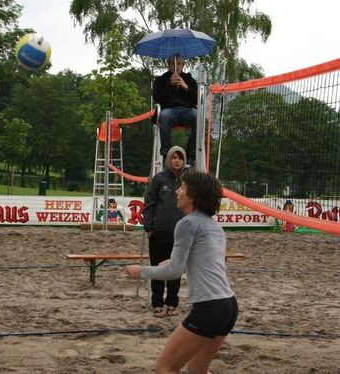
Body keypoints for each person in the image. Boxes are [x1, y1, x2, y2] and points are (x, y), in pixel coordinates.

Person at [127, 171, 237, 374]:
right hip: (228, 306)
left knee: (165, 367)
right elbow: (206, 263)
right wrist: (175, 262)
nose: (178, 191)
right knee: (197, 370)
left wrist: (141, 271)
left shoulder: (187, 223)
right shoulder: (215, 226)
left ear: (193, 195)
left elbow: (174, 272)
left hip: (209, 308)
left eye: (183, 187)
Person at [142, 146, 187, 318]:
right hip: (159, 232)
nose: (177, 160)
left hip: (180, 234)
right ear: (168, 159)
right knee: (158, 270)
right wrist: (149, 227)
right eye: (174, 157)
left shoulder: (187, 180)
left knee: (175, 270)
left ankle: (172, 303)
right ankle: (158, 303)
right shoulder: (159, 179)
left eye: (180, 158)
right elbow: (149, 203)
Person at [153, 53, 198, 165]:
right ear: (168, 65)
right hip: (169, 111)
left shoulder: (189, 79)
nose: (176, 66)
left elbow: (197, 99)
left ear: (183, 65)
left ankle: (191, 154)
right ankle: (167, 154)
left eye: (179, 63)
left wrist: (185, 86)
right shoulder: (161, 80)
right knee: (164, 115)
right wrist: (169, 84)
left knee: (197, 115)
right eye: (173, 63)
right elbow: (157, 98)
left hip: (187, 111)